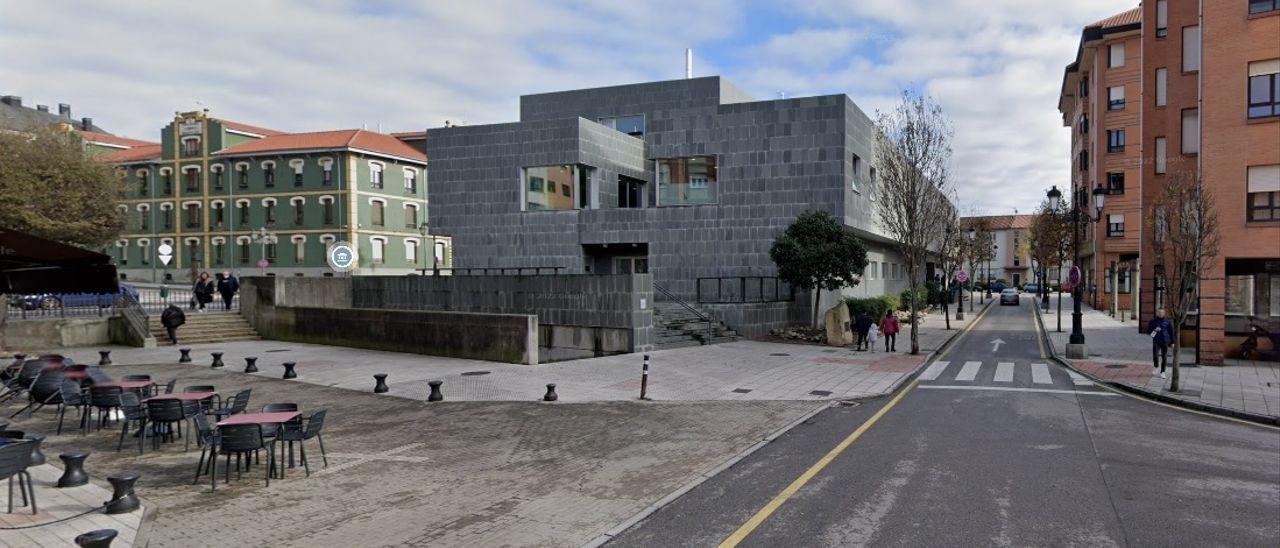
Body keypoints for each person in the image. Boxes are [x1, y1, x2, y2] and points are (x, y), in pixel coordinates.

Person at [1147, 308, 1174, 379]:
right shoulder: (1153, 321)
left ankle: (1163, 372)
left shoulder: (1167, 321)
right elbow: (1149, 331)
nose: (1161, 314)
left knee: (1164, 357)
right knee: (1155, 355)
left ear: (1164, 313)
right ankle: (1156, 366)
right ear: (1157, 313)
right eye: (1159, 312)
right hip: (1156, 341)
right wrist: (1155, 330)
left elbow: (1171, 332)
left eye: (1162, 313)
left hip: (1165, 341)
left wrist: (1172, 342)